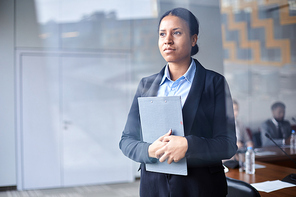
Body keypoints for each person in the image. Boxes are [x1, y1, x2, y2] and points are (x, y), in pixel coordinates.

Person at [119, 8, 237, 197]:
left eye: (177, 33)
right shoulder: (146, 85)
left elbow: (227, 145)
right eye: (162, 34)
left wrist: (189, 145)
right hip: (154, 189)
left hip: (200, 189)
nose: (168, 40)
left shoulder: (214, 83)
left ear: (193, 39)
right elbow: (126, 141)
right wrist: (148, 149)